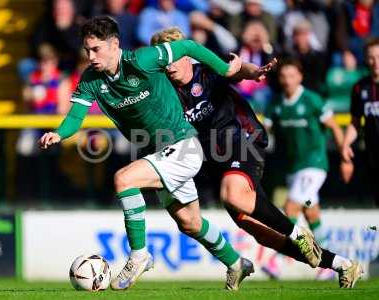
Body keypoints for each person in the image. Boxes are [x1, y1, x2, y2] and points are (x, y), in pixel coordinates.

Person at [39, 16, 254, 291]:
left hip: (182, 146)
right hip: (157, 153)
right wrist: (59, 133)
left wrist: (224, 69)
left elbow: (188, 46)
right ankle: (237, 263)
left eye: (96, 49)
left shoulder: (143, 59)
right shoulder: (91, 79)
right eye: (86, 50)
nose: (90, 56)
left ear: (114, 44)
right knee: (190, 223)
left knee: (124, 179)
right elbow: (76, 115)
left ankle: (139, 255)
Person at [151, 27, 363, 288]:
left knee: (233, 195)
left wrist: (255, 71)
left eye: (173, 57)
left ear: (186, 55)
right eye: (163, 60)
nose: (168, 65)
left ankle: (298, 232)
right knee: (260, 231)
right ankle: (342, 264)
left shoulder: (206, 71)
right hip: (214, 160)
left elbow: (237, 68)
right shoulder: (165, 91)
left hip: (244, 140)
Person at [264, 59, 345, 250]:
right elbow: (264, 131)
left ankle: (281, 257)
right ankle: (329, 259)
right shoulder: (275, 104)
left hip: (314, 164)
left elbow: (334, 126)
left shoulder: (312, 100)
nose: (287, 80)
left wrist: (345, 158)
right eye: (283, 76)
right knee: (311, 213)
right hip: (293, 166)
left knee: (290, 208)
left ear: (300, 77)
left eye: (292, 76)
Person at [341, 38, 379, 206]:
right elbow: (355, 122)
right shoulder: (359, 87)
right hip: (374, 154)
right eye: (371, 57)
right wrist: (346, 144)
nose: (375, 62)